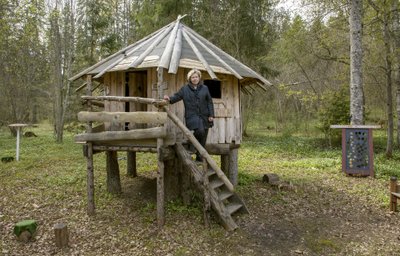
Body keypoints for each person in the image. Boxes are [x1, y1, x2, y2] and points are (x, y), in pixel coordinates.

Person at [164, 69, 214, 162]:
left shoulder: (205, 88)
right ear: (189, 79)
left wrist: (211, 115)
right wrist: (169, 99)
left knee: (203, 137)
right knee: (200, 131)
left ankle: (199, 157)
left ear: (199, 78)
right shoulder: (185, 89)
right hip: (192, 116)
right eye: (192, 77)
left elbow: (209, 102)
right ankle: (191, 143)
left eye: (196, 77)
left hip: (205, 116)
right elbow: (177, 96)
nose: (195, 79)